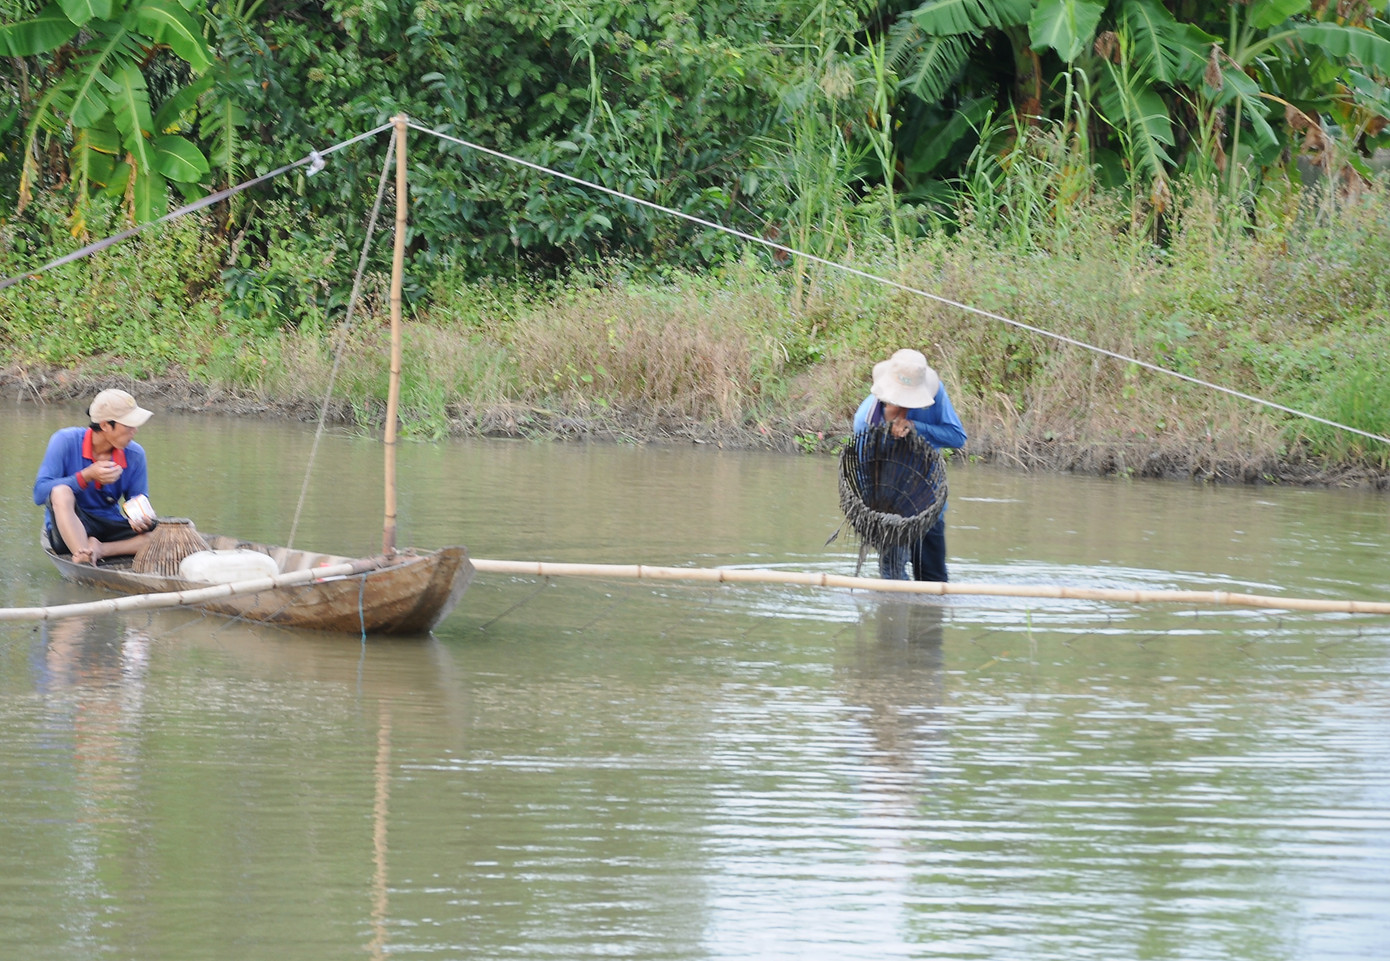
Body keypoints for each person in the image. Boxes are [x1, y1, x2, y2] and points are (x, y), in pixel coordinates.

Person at [852, 348, 967, 582]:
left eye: (910, 402)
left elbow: (957, 438)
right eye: (898, 403)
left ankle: (929, 618)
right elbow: (864, 477)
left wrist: (916, 426)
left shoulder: (935, 396)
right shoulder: (865, 422)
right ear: (885, 398)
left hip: (929, 503)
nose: (903, 408)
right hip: (890, 508)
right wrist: (875, 519)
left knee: (934, 581)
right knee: (893, 578)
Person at [33, 388, 157, 565]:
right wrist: (86, 476)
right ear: (106, 425)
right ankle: (82, 553)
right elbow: (39, 494)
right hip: (69, 527)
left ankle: (99, 550)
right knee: (60, 491)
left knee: (165, 535)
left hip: (109, 527)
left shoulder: (135, 454)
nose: (135, 431)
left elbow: (138, 499)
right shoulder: (64, 441)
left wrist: (142, 519)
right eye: (129, 425)